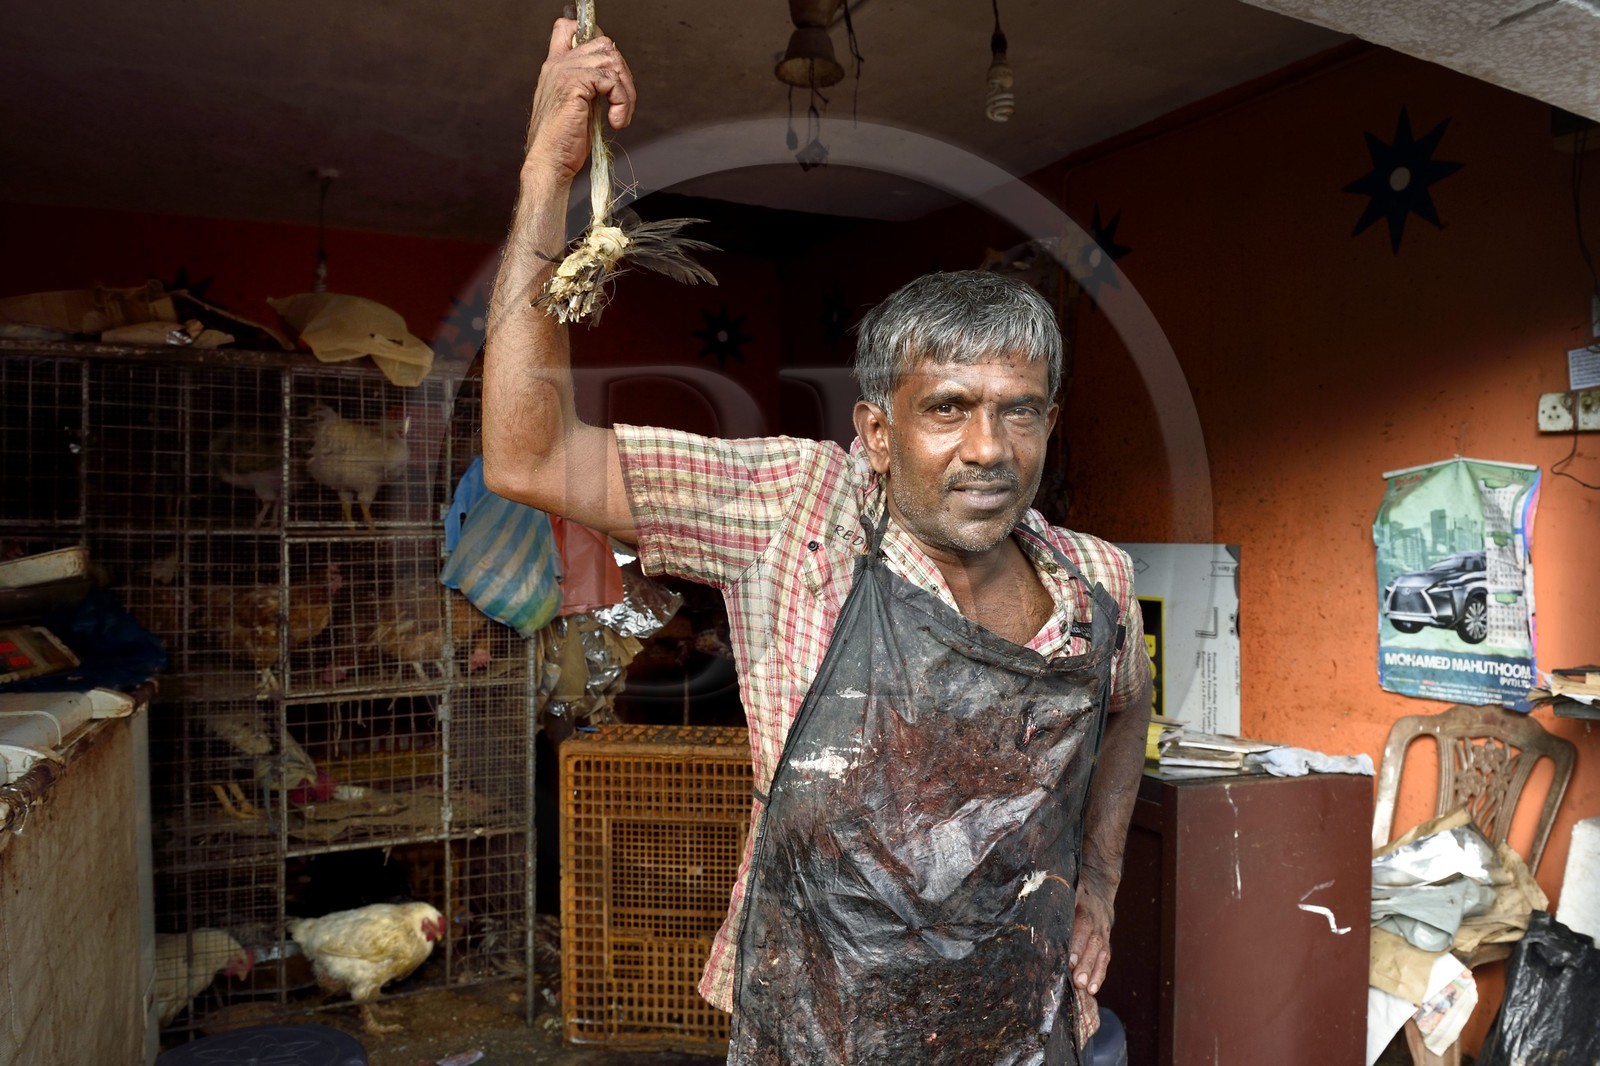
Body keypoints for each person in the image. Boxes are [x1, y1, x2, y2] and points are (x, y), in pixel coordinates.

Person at [484, 17, 1153, 1064]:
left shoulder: (1095, 581)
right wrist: (544, 179)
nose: (988, 448)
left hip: (1019, 1024)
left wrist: (1098, 878)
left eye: (1019, 411)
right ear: (876, 432)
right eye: (948, 408)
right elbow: (529, 457)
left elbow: (1125, 709)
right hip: (816, 1020)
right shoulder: (795, 508)